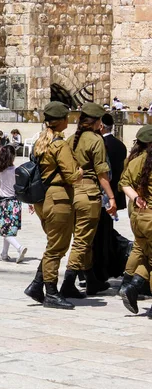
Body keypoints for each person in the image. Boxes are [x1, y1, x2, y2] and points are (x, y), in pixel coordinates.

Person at [23, 101, 82, 309]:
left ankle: (37, 285)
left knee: (53, 244)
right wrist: (80, 171)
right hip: (58, 199)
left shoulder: (42, 141)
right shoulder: (59, 145)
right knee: (56, 248)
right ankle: (51, 293)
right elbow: (72, 175)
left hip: (43, 199)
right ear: (62, 121)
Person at [62, 103, 116, 298]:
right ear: (98, 122)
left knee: (83, 239)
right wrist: (111, 197)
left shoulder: (70, 140)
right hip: (88, 193)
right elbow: (102, 173)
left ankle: (91, 279)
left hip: (71, 193)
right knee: (83, 241)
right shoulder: (96, 140)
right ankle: (68, 281)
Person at [118, 125, 152, 316]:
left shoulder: (138, 159)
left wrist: (136, 198)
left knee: (143, 252)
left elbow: (123, 182)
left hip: (139, 216)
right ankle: (132, 288)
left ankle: (131, 285)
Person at [91, 113, 128, 282]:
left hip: (100, 197)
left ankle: (97, 271)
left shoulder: (100, 144)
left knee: (96, 236)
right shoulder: (120, 146)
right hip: (115, 198)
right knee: (106, 233)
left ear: (101, 126)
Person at [0, 145, 27, 263]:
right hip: (16, 203)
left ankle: (19, 247)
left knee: (4, 231)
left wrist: (0, 158)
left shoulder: (0, 169)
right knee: (8, 230)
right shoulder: (17, 171)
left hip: (5, 203)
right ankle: (4, 254)